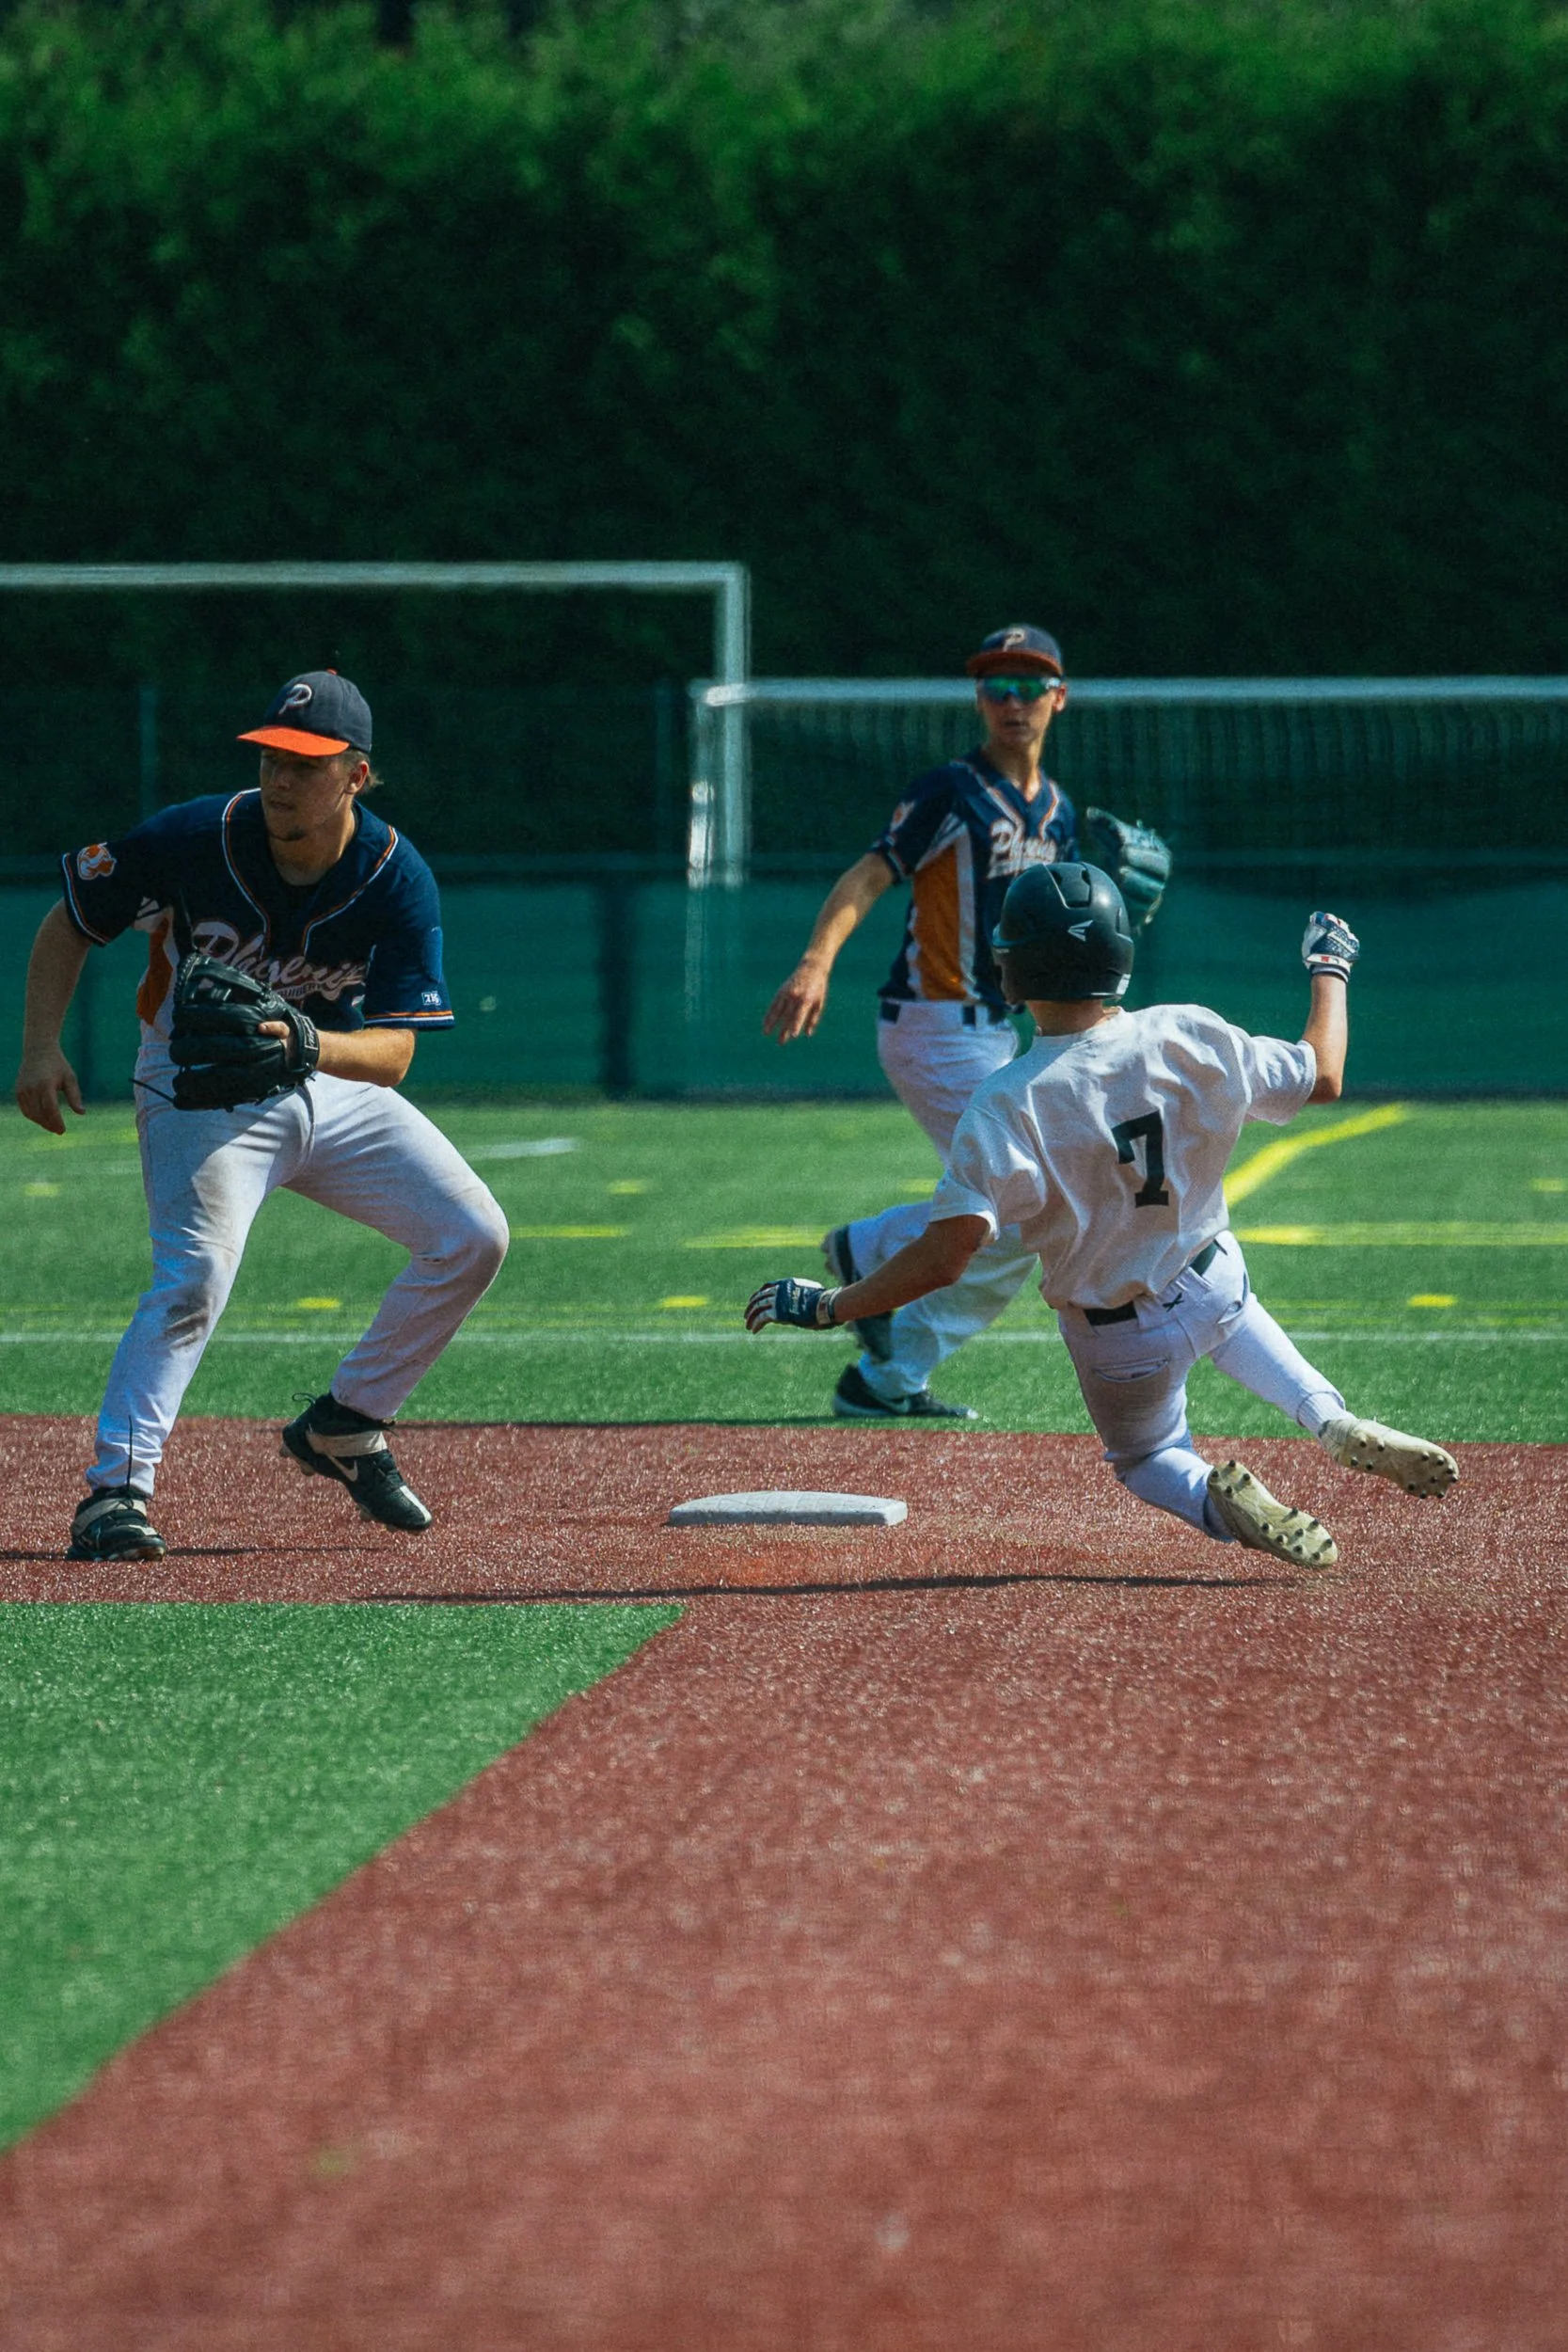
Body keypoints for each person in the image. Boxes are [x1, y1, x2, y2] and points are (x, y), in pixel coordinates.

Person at [746, 866, 1457, 1565]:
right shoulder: (1189, 1031)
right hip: (1210, 1275)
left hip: (1116, 1337)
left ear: (1010, 972)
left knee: (1148, 1457)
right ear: (1119, 955)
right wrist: (1329, 964)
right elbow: (1322, 1075)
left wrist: (831, 1306)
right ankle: (1329, 1419)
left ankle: (1215, 1499)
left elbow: (945, 1259)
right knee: (1232, 1317)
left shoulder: (1004, 1102)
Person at [14, 669, 510, 1562]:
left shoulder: (395, 875)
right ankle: (114, 1494)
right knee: (195, 1276)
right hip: (196, 1083)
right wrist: (40, 1048)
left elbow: (395, 1053)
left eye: (307, 764)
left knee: (472, 1234)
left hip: (328, 1078)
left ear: (355, 775)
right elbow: (71, 920)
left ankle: (348, 1423)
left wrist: (306, 1046)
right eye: (273, 757)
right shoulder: (197, 835)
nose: (282, 778)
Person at [762, 624, 1170, 1422]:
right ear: (978, 699)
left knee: (1018, 1205)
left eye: (1030, 686)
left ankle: (880, 1320)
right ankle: (882, 1323)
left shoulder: (1054, 808)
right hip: (932, 1023)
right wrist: (815, 961)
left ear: (1059, 698)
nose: (1012, 702)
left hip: (1001, 1029)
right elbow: (872, 870)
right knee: (1024, 1207)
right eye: (996, 686)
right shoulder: (949, 791)